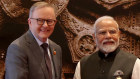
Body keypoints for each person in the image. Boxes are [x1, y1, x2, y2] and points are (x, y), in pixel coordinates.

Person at [5, 1, 62, 79]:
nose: (45, 25)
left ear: (54, 23)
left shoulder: (57, 49)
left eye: (49, 21)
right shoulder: (17, 48)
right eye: (40, 20)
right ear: (30, 22)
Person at [73, 16, 140, 79]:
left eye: (112, 32)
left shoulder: (134, 63)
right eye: (102, 32)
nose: (108, 36)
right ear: (94, 37)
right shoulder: (83, 64)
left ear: (119, 34)